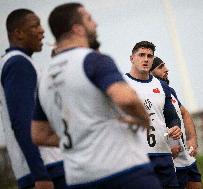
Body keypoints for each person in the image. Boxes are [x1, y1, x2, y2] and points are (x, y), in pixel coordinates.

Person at [31, 3, 162, 189]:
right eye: (89, 19)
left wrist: (80, 137)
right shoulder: (94, 59)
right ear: (77, 29)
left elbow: (38, 134)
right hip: (125, 171)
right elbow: (126, 98)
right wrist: (145, 120)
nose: (96, 24)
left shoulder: (45, 76)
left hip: (79, 178)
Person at [0, 9, 65, 189]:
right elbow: (22, 121)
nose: (42, 30)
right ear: (18, 33)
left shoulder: (20, 62)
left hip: (47, 166)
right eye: (35, 26)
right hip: (47, 169)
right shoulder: (18, 64)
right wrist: (41, 174)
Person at [125, 41, 182, 189]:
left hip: (163, 154)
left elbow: (172, 117)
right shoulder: (121, 84)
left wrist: (175, 127)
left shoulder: (162, 86)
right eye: (141, 55)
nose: (146, 59)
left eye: (149, 56)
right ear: (132, 58)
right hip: (136, 157)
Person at [150, 57, 202, 189]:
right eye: (161, 67)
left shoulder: (169, 90)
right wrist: (166, 148)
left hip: (187, 159)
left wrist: (192, 139)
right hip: (170, 163)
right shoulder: (148, 95)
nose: (166, 69)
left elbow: (185, 113)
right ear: (150, 72)